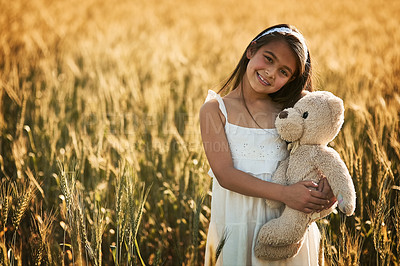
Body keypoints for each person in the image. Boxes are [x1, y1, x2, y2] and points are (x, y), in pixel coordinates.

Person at [200, 24, 336, 265]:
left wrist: (327, 188)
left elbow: (316, 154)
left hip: (286, 228)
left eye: (284, 72)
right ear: (251, 50)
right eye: (268, 59)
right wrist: (286, 194)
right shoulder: (214, 110)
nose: (271, 73)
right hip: (237, 226)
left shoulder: (292, 112)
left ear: (292, 80)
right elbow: (225, 175)